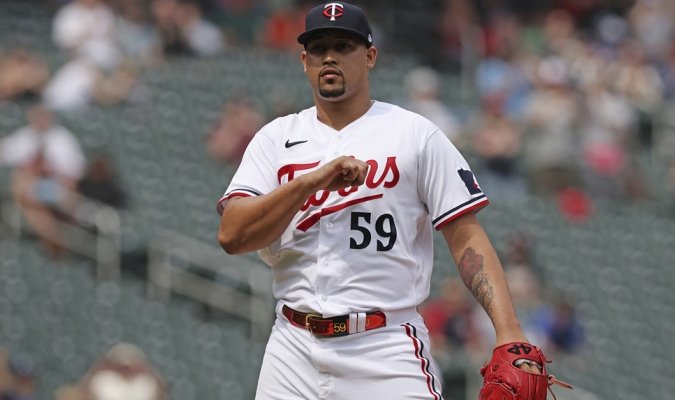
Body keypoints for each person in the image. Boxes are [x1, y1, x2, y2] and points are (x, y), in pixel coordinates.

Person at [217, 3, 542, 399]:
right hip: (292, 348)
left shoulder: (414, 135)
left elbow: (466, 237)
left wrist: (508, 331)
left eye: (344, 45)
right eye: (318, 48)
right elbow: (232, 234)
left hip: (385, 346)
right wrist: (311, 182)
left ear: (370, 56)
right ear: (304, 61)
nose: (330, 57)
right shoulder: (275, 138)